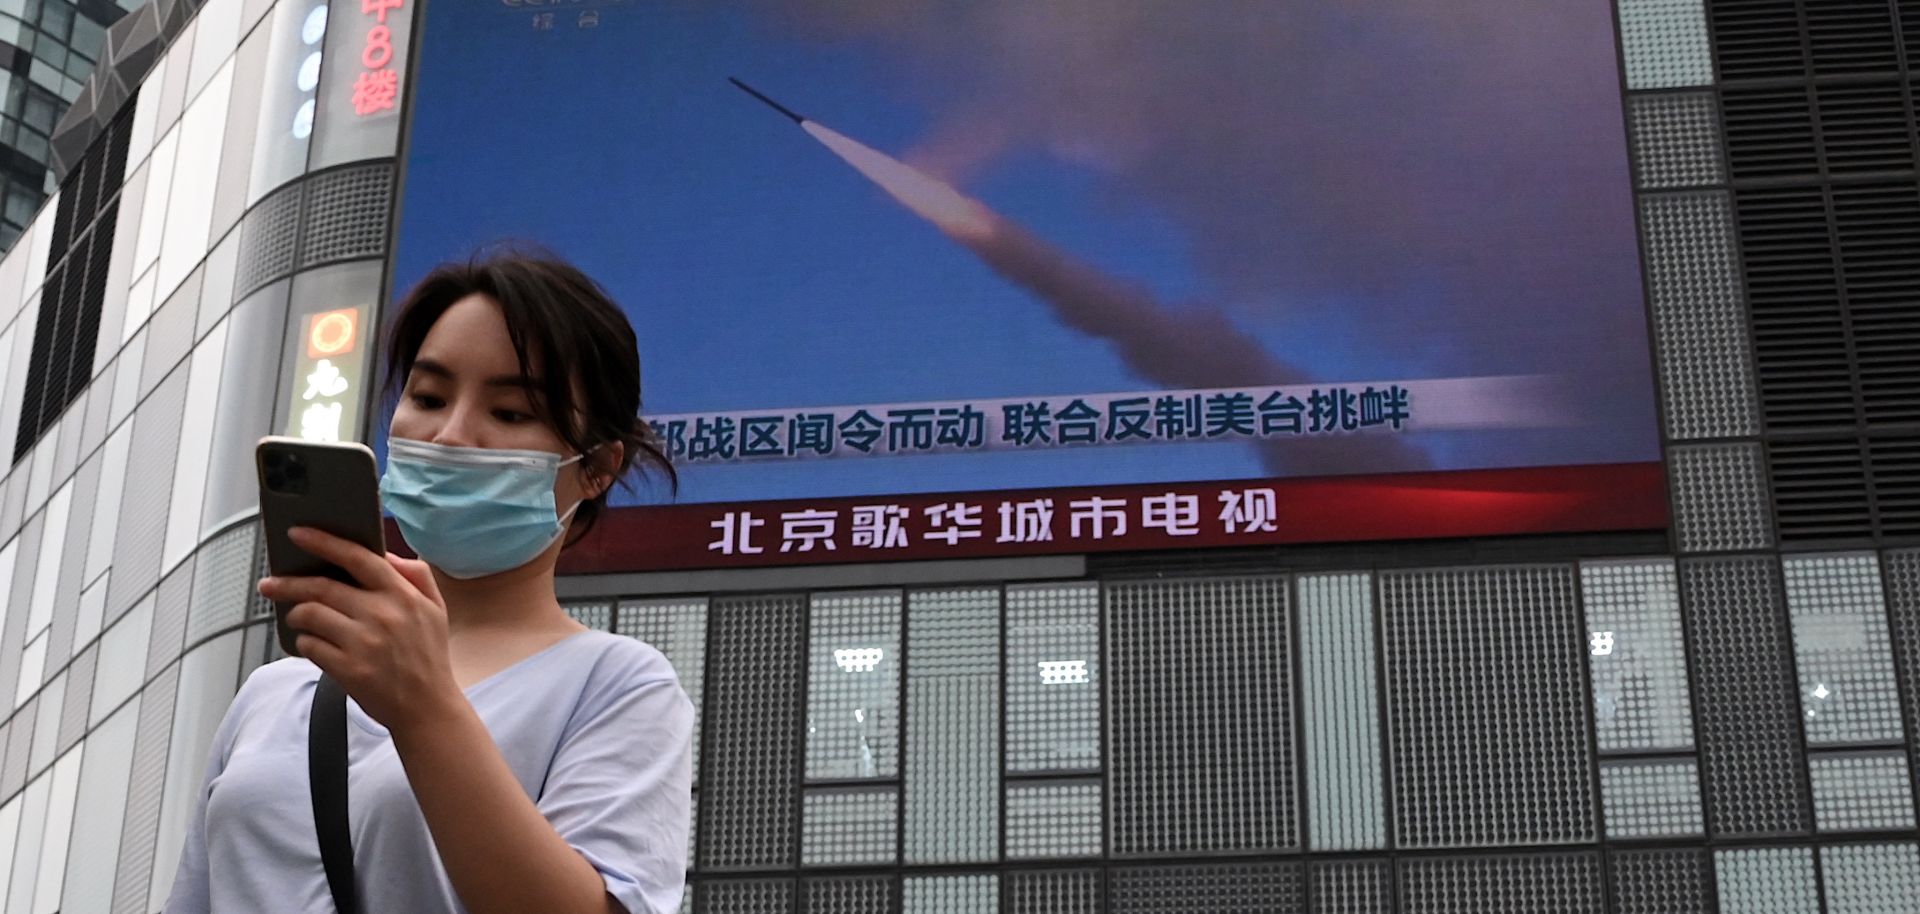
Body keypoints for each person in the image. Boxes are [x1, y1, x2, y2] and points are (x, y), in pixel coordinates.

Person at [162, 251, 693, 914]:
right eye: (428, 397)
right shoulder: (275, 692)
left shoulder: (616, 684)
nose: (449, 435)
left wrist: (424, 709)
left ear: (597, 468)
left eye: (510, 412)